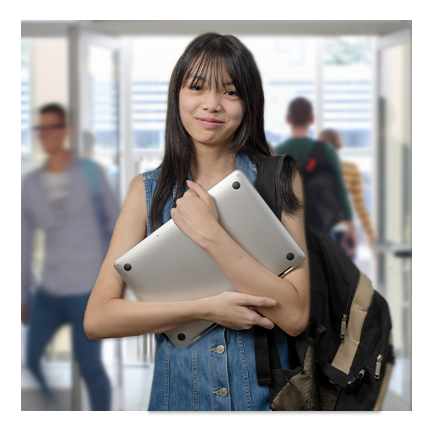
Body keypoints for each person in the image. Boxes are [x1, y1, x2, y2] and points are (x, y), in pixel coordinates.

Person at [84, 33, 310, 411]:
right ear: (177, 96)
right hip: (178, 400)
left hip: (265, 400)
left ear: (249, 104)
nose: (212, 104)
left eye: (230, 92)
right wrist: (205, 308)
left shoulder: (279, 179)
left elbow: (294, 316)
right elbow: (98, 318)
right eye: (197, 87)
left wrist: (211, 235)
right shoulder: (146, 191)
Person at [21, 103, 120, 411]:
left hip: (87, 288)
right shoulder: (31, 184)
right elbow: (24, 242)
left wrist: (116, 283)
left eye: (52, 127)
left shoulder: (91, 174)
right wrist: (24, 292)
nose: (45, 134)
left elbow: (118, 227)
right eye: (40, 128)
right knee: (32, 360)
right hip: (50, 288)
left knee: (90, 366)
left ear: (66, 132)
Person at [275, 97, 357, 259]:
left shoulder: (276, 152)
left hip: (288, 230)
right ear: (312, 120)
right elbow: (339, 189)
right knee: (327, 276)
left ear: (288, 119)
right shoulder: (325, 150)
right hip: (322, 227)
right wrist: (351, 225)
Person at [319, 128, 376, 261]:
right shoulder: (351, 169)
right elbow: (360, 207)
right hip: (344, 233)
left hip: (319, 231)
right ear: (339, 145)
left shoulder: (311, 171)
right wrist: (371, 239)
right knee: (346, 279)